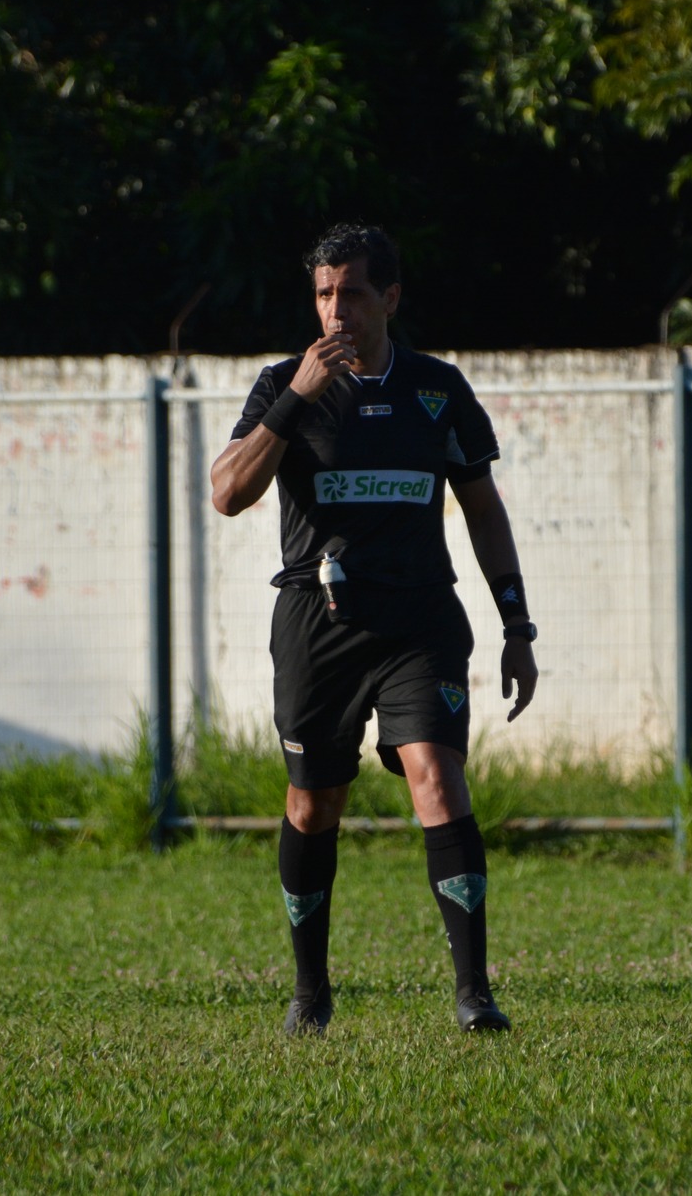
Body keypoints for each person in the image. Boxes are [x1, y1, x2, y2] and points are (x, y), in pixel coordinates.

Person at [210, 222, 539, 1037]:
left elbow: (483, 509)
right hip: (316, 624)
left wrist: (516, 622)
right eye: (323, 294)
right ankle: (311, 992)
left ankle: (474, 993)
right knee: (314, 804)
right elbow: (227, 491)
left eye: (351, 293)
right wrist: (294, 400)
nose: (335, 311)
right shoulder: (282, 384)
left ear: (388, 297)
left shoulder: (437, 387)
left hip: (420, 617)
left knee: (436, 774)